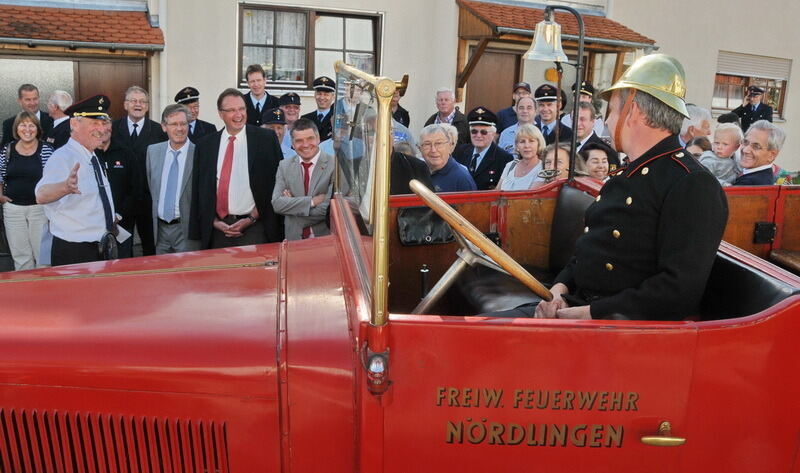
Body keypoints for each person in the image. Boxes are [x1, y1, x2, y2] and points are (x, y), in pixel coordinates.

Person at [525, 53, 728, 321]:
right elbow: (590, 251)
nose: (607, 122)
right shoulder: (627, 172)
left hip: (620, 331)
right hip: (580, 308)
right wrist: (559, 291)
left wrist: (585, 314)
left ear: (634, 111)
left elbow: (676, 292)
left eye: (612, 110)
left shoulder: (692, 184)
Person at [189, 88, 283, 249]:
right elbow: (199, 189)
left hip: (255, 227)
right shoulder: (205, 145)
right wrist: (214, 222)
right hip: (217, 230)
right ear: (220, 114)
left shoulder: (266, 139)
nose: (239, 115)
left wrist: (252, 218)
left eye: (241, 109)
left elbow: (278, 182)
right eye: (232, 110)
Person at [35, 95, 123, 266]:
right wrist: (65, 187)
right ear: (74, 124)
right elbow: (41, 195)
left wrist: (110, 216)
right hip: (75, 252)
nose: (102, 129)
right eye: (94, 123)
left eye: (104, 123)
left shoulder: (91, 155)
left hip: (100, 246)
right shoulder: (63, 157)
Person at [111, 86, 167, 256]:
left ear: (148, 106)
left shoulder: (159, 131)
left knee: (150, 246)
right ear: (125, 105)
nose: (138, 104)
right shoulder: (113, 128)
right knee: (122, 248)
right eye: (133, 101)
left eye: (142, 101)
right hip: (122, 200)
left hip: (148, 199)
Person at [0, 112, 54, 269]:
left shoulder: (46, 150)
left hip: (40, 209)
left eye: (31, 125)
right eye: (23, 125)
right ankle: (25, 291)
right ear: (17, 129)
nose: (27, 129)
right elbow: (1, 175)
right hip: (13, 210)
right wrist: (1, 196)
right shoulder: (7, 149)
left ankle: (44, 291)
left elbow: (53, 179)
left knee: (42, 256)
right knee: (21, 257)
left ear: (37, 129)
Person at [147, 104, 198, 254]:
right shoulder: (153, 152)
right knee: (161, 276)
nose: (180, 129)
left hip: (186, 230)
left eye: (183, 124)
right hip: (160, 231)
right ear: (164, 127)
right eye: (174, 124)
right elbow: (152, 187)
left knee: (186, 275)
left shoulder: (199, 153)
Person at [271, 119, 335, 240]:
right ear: (293, 144)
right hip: (294, 239)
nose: (305, 145)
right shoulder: (284, 166)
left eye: (310, 139)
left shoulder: (335, 165)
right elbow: (277, 204)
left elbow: (327, 210)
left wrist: (292, 207)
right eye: (299, 141)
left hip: (324, 241)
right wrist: (312, 201)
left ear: (318, 139)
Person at [96, 120, 137, 258]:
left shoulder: (126, 153)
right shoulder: (87, 154)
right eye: (98, 124)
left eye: (106, 124)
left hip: (122, 225)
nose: (103, 129)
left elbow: (136, 188)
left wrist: (119, 215)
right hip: (94, 224)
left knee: (123, 267)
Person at [452, 107, 512, 190]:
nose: (478, 135)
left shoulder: (504, 158)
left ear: (493, 134)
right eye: (474, 131)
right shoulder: (461, 151)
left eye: (484, 132)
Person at [419, 123, 476, 192]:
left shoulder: (462, 179)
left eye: (438, 143)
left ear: (449, 146)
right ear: (420, 149)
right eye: (427, 144)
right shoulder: (417, 173)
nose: (433, 150)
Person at [495, 124, 546, 191]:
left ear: (539, 144)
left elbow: (531, 196)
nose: (526, 146)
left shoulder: (543, 168)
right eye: (522, 141)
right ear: (517, 145)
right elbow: (497, 191)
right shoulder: (510, 165)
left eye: (531, 141)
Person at [733, 120, 785, 186]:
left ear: (772, 155)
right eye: (745, 142)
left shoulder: (748, 184)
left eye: (756, 146)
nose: (745, 150)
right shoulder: (764, 175)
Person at [301, 76, 336, 141]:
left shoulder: (336, 119)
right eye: (319, 94)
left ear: (333, 96)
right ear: (314, 95)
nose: (322, 97)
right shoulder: (305, 119)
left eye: (326, 94)